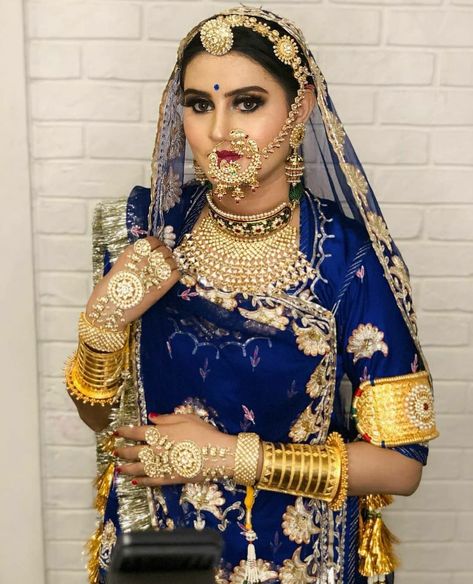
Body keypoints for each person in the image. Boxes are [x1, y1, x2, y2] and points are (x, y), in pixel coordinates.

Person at [65, 6, 439, 584]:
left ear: (300, 108)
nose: (220, 131)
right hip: (162, 549)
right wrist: (100, 328)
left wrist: (223, 456)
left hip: (296, 556)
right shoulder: (147, 231)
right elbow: (102, 421)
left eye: (247, 103)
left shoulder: (345, 260)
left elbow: (400, 467)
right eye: (199, 105)